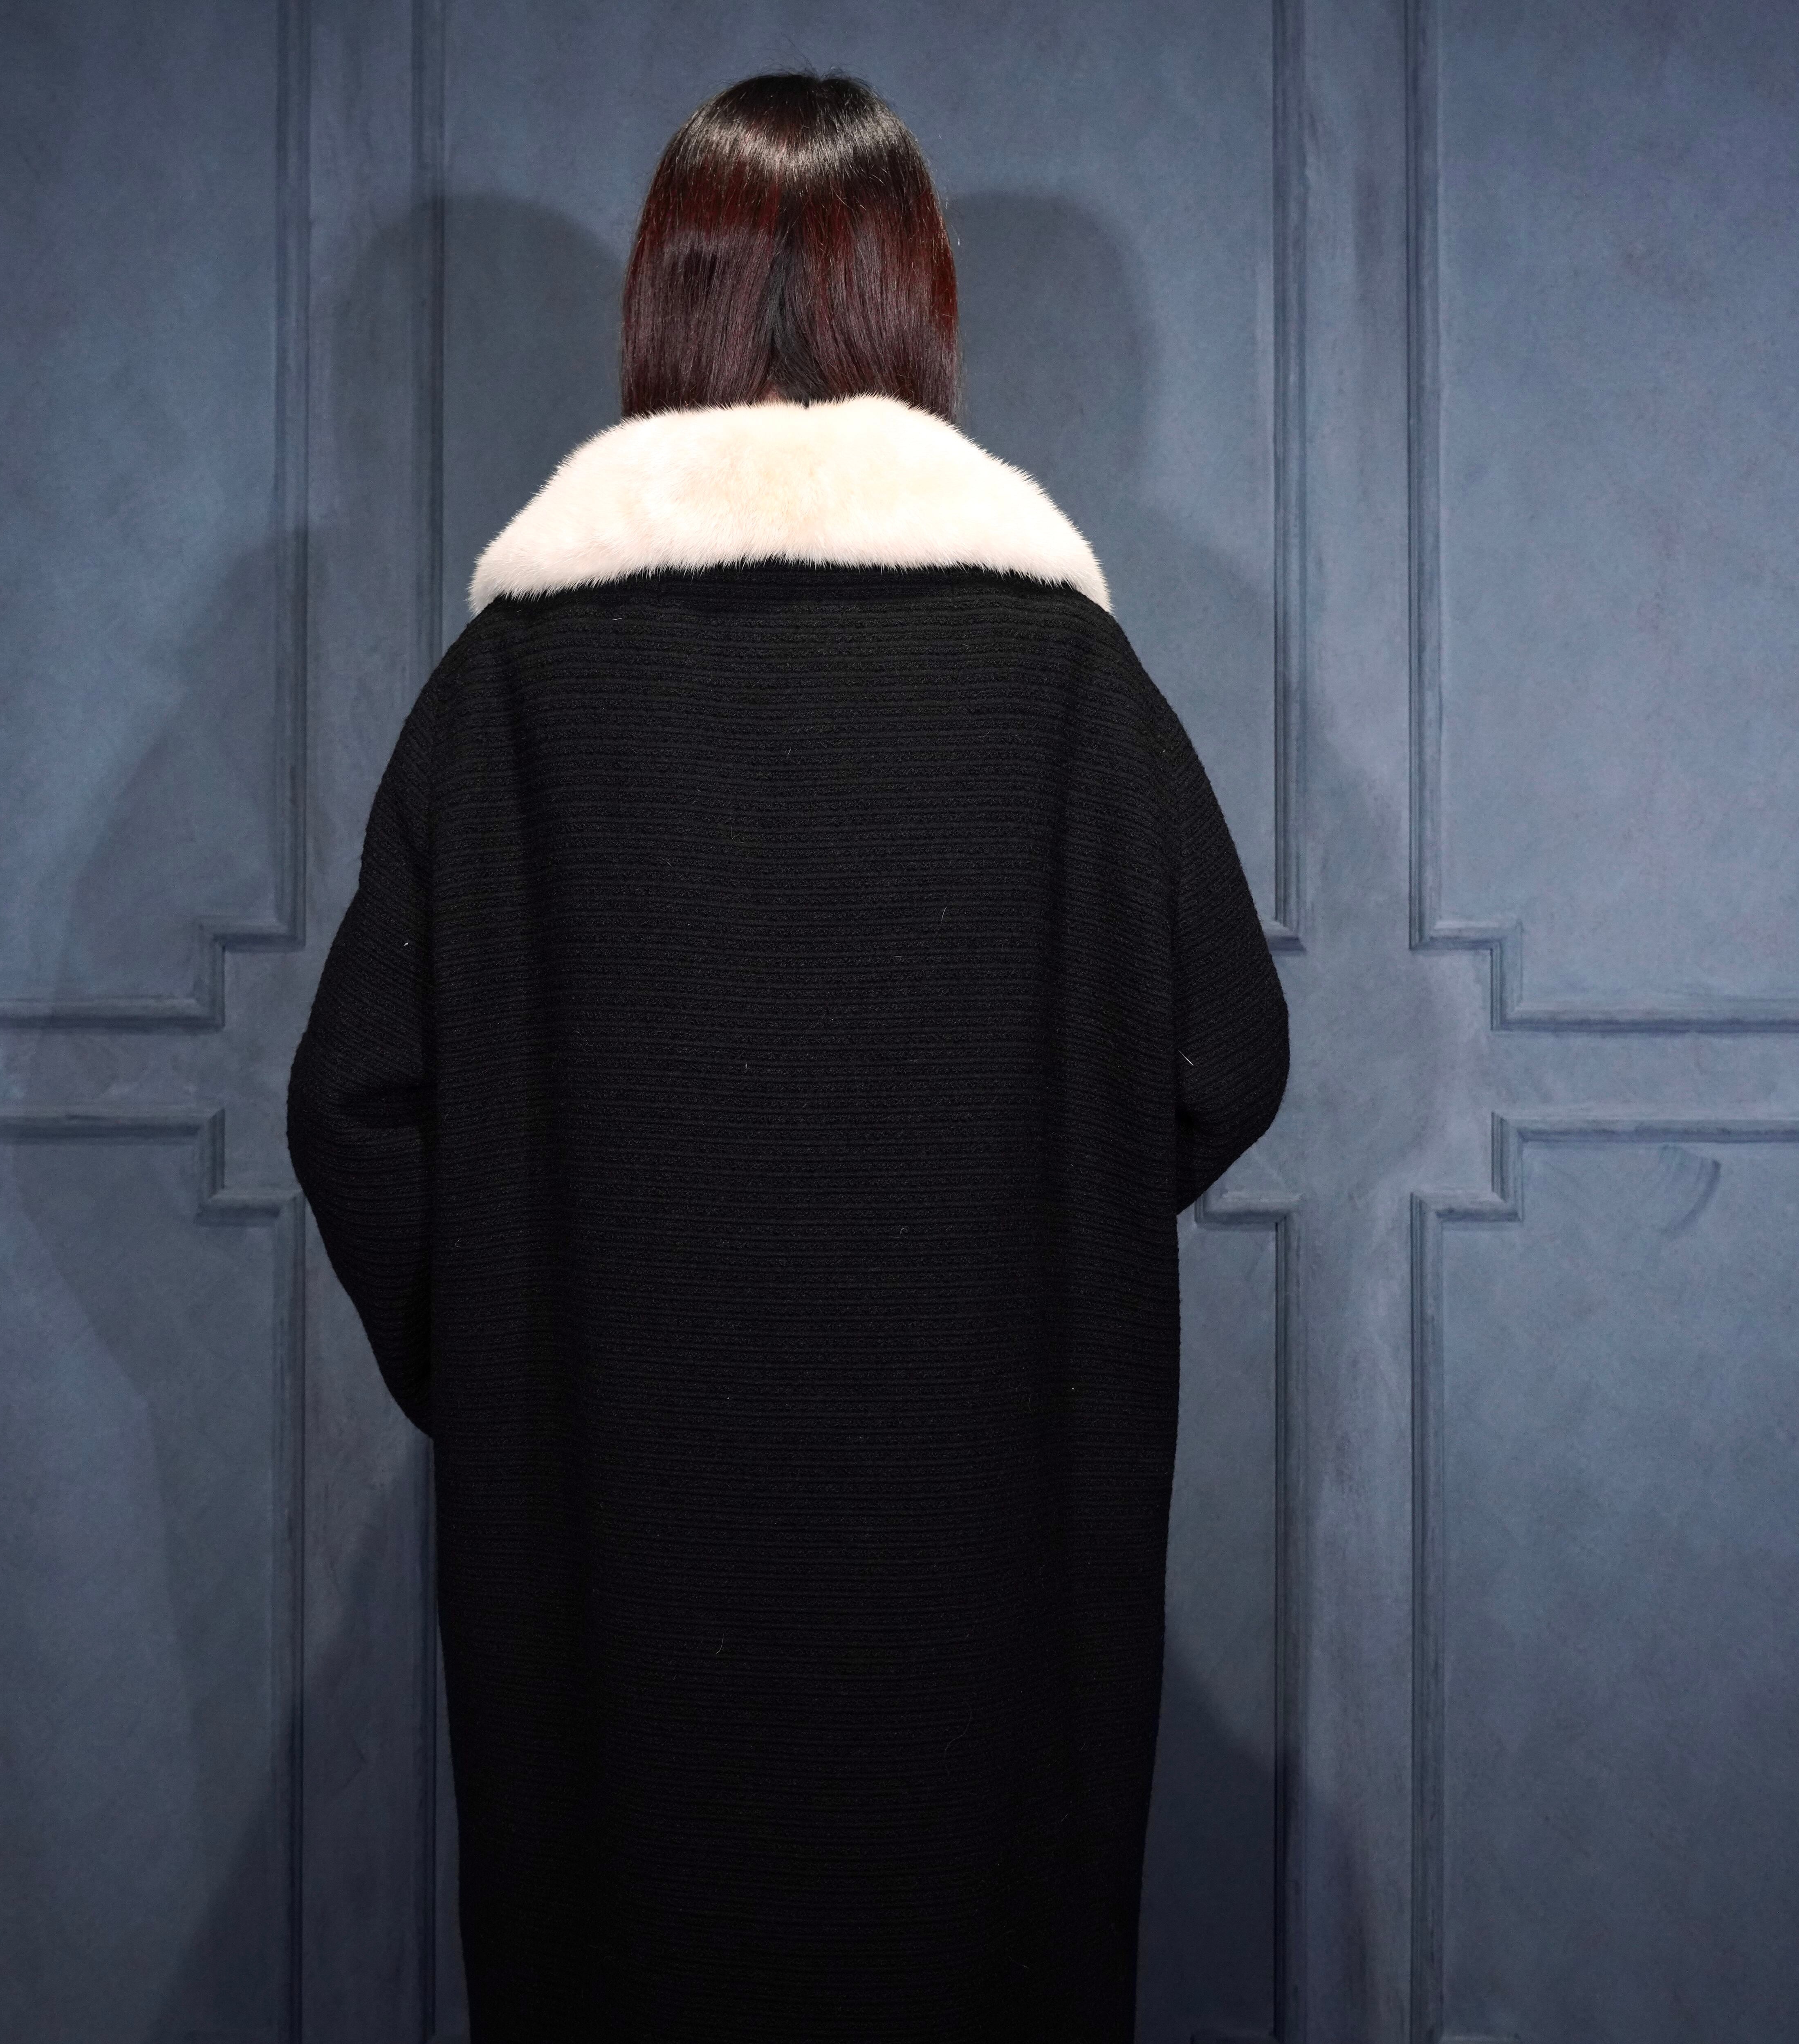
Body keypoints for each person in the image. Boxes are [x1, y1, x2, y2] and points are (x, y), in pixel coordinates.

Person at [287, 69, 1290, 2044]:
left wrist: (517, 1360)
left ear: (661, 304)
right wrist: (1030, 1236)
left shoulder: (510, 690)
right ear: (913, 305)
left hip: (609, 1553)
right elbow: (1225, 1052)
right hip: (983, 1544)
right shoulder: (1063, 681)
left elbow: (357, 1106)